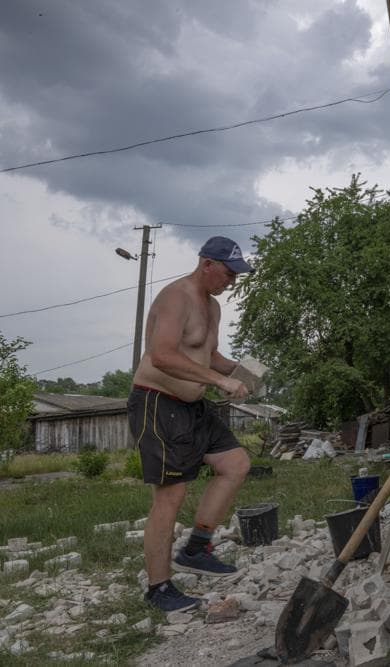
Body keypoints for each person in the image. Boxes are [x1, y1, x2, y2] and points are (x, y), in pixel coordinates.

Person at [127, 236, 254, 612]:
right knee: (170, 495)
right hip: (157, 402)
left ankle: (197, 548)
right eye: (228, 274)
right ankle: (159, 588)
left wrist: (241, 372)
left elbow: (207, 353)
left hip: (193, 406)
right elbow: (162, 355)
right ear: (206, 264)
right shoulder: (175, 297)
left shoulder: (212, 307)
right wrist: (219, 382)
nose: (231, 282)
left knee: (236, 464)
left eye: (236, 276)